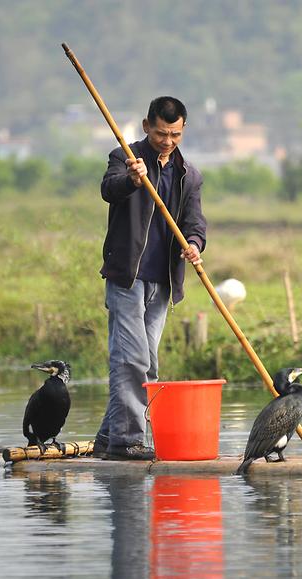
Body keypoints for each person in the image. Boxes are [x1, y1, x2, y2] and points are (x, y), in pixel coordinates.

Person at [93, 96, 207, 460]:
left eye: (175, 134)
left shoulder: (189, 173)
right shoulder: (125, 157)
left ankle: (109, 437)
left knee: (148, 363)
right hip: (127, 276)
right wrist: (131, 178)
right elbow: (108, 190)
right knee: (131, 359)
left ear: (183, 129)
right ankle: (128, 442)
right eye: (161, 133)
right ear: (146, 126)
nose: (168, 141)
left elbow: (194, 222)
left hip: (163, 280)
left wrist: (193, 244)